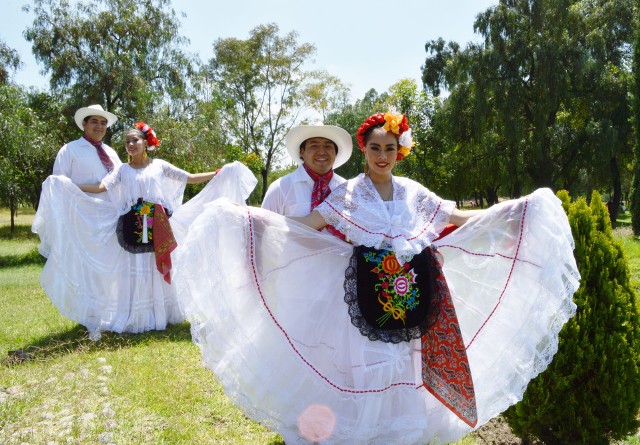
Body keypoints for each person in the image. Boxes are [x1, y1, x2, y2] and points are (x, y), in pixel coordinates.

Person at [177, 112, 580, 444]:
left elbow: (454, 219)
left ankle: (400, 433)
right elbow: (307, 224)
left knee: (406, 364)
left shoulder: (414, 193)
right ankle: (361, 431)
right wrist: (248, 220)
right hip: (364, 294)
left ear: (399, 151)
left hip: (412, 292)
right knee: (370, 363)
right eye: (375, 148)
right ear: (365, 151)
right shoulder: (347, 194)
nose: (382, 155)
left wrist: (510, 212)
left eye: (390, 148)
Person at [32, 122, 257, 340]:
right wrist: (68, 185)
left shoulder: (159, 166)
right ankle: (136, 316)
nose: (130, 145)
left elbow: (188, 178)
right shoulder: (121, 170)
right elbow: (101, 187)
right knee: (135, 269)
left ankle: (159, 316)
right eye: (127, 141)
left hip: (157, 223)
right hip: (132, 226)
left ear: (145, 142)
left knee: (154, 267)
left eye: (135, 140)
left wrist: (217, 173)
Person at [261, 124, 352, 217]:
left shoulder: (346, 189)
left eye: (328, 146)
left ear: (335, 153)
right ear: (302, 152)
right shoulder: (281, 188)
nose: (321, 152)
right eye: (314, 146)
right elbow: (262, 227)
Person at [53, 104, 122, 199]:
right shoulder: (69, 149)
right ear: (84, 124)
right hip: (79, 212)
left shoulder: (111, 153)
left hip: (110, 211)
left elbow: (121, 181)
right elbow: (58, 184)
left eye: (103, 123)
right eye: (94, 122)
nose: (99, 126)